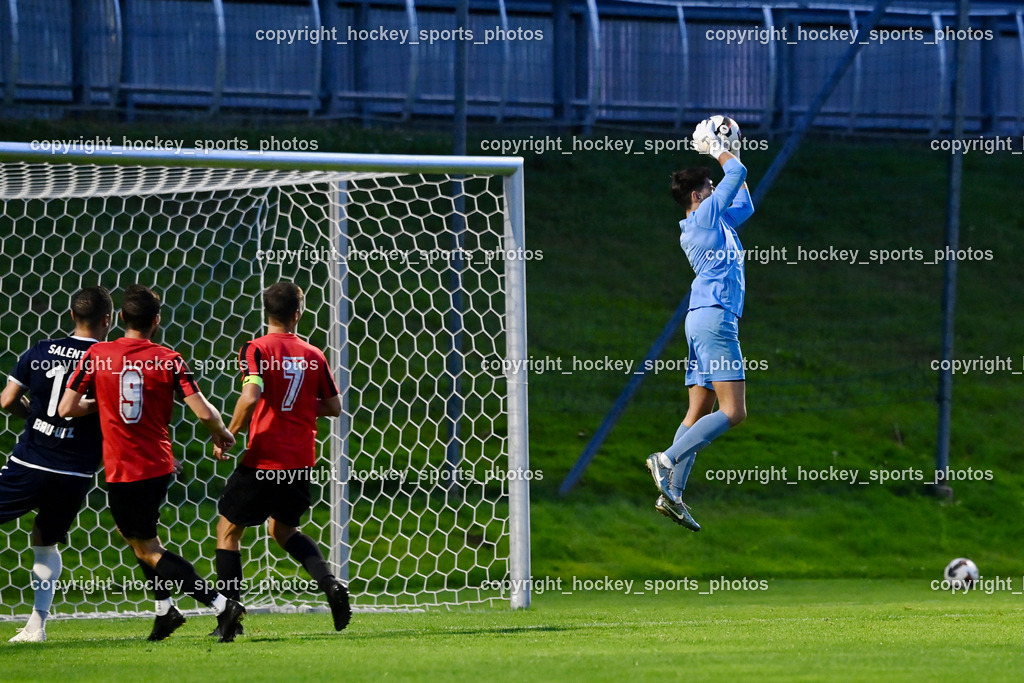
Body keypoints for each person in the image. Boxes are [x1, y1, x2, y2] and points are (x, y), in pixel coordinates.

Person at [59, 284, 246, 642]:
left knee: (147, 548)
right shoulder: (170, 359)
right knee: (137, 538)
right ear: (156, 321)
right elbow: (203, 410)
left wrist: (104, 403)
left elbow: (67, 408)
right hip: (158, 465)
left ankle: (221, 604)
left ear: (121, 319)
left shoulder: (98, 355)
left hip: (125, 469)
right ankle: (165, 612)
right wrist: (220, 433)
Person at [213, 281, 350, 635]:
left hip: (265, 458)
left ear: (267, 312)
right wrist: (303, 406)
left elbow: (251, 396)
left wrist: (229, 433)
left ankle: (229, 617)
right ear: (297, 314)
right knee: (284, 528)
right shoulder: (313, 353)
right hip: (301, 460)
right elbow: (334, 407)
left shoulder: (255, 348)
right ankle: (330, 584)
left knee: (228, 530)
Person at [646, 119, 754, 531]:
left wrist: (734, 149)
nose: (715, 192)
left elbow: (745, 202)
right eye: (711, 188)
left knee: (698, 410)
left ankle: (671, 493)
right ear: (698, 195)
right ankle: (667, 460)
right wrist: (715, 148)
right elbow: (737, 175)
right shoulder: (706, 215)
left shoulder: (712, 221)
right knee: (734, 411)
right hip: (715, 320)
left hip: (699, 319)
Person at [1, 287, 112, 642]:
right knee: (46, 543)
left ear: (71, 316)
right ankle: (37, 626)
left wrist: (34, 417)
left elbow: (7, 401)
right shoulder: (107, 359)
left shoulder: (41, 349)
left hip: (30, 463)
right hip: (74, 472)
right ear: (107, 320)